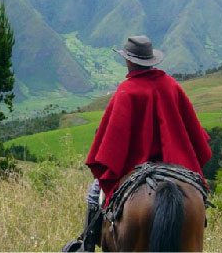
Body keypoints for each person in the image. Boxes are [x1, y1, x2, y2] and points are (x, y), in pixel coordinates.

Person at [62, 35, 212, 252]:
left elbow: (111, 143)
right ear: (151, 60)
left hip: (135, 167)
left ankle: (87, 245)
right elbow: (192, 132)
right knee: (195, 197)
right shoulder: (171, 85)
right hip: (176, 163)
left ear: (129, 61)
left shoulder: (126, 91)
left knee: (94, 192)